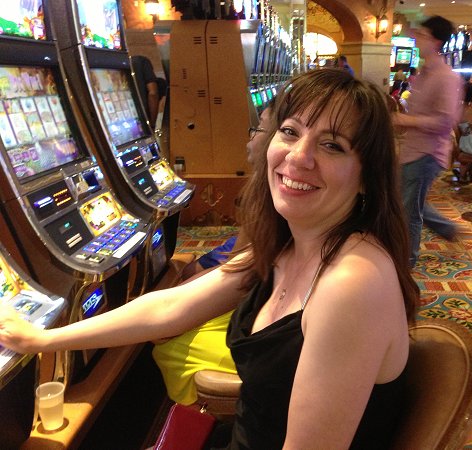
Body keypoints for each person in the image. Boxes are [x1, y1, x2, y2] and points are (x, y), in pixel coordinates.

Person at [0, 68, 419, 449]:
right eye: (290, 131)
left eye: (331, 145)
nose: (298, 157)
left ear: (367, 176)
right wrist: (43, 340)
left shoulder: (351, 283)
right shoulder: (290, 245)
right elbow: (171, 306)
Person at [154, 105, 276, 405]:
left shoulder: (268, 202)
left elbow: (241, 270)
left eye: (258, 128)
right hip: (253, 300)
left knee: (168, 342)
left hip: (257, 331)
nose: (249, 137)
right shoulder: (265, 195)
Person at [392, 15, 464, 267]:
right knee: (407, 202)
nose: (417, 39)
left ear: (435, 41)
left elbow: (446, 121)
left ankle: (406, 262)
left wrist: (405, 120)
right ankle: (446, 228)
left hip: (427, 153)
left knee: (409, 211)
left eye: (422, 35)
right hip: (411, 149)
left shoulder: (446, 77)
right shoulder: (424, 73)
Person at [131, 55, 160, 129]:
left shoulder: (121, 63)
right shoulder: (141, 61)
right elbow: (153, 93)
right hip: (144, 119)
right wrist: (152, 123)